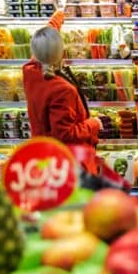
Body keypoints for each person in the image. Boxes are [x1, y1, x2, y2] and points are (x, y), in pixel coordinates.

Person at [23, 10, 103, 173]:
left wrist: (59, 14)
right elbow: (65, 133)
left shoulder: (31, 71)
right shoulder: (62, 90)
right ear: (60, 51)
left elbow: (44, 42)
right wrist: (94, 124)